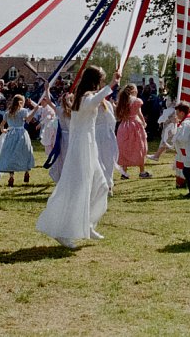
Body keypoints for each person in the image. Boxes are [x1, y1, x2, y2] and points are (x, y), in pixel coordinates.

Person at [37, 67, 120, 249]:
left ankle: (88, 223)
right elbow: (94, 100)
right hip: (82, 147)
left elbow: (96, 100)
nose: (102, 84)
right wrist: (113, 83)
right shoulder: (84, 99)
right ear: (95, 81)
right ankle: (62, 231)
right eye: (101, 80)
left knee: (101, 186)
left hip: (88, 145)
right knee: (78, 188)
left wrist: (110, 85)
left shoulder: (84, 97)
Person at [0, 95, 37, 186]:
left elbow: (2, 124)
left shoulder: (8, 112)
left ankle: (11, 176)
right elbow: (28, 120)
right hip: (21, 133)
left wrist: (3, 130)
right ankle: (26, 172)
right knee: (25, 152)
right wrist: (35, 109)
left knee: (11, 153)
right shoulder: (23, 111)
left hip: (11, 134)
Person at [115, 84, 151, 180]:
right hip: (134, 125)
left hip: (124, 126)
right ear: (134, 91)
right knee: (140, 146)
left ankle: (124, 172)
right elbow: (139, 113)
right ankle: (142, 171)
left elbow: (119, 115)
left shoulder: (122, 101)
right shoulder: (136, 101)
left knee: (125, 147)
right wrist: (144, 122)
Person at [94, 85, 120, 194]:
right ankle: (107, 185)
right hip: (106, 134)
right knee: (107, 159)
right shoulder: (107, 104)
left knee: (100, 159)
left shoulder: (94, 105)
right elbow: (112, 121)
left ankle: (104, 184)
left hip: (97, 134)